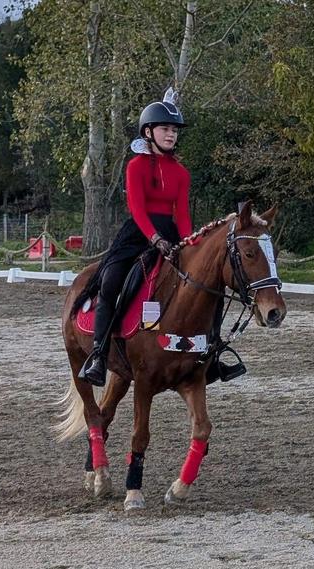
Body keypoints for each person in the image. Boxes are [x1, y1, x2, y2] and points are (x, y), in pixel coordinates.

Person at [80, 94, 192, 386]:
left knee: (201, 284)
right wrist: (154, 239)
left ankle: (212, 353)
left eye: (175, 130)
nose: (171, 134)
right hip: (138, 235)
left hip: (171, 236)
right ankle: (99, 355)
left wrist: (190, 244)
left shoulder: (181, 173)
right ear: (148, 132)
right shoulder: (136, 167)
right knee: (111, 282)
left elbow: (181, 213)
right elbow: (137, 209)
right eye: (165, 129)